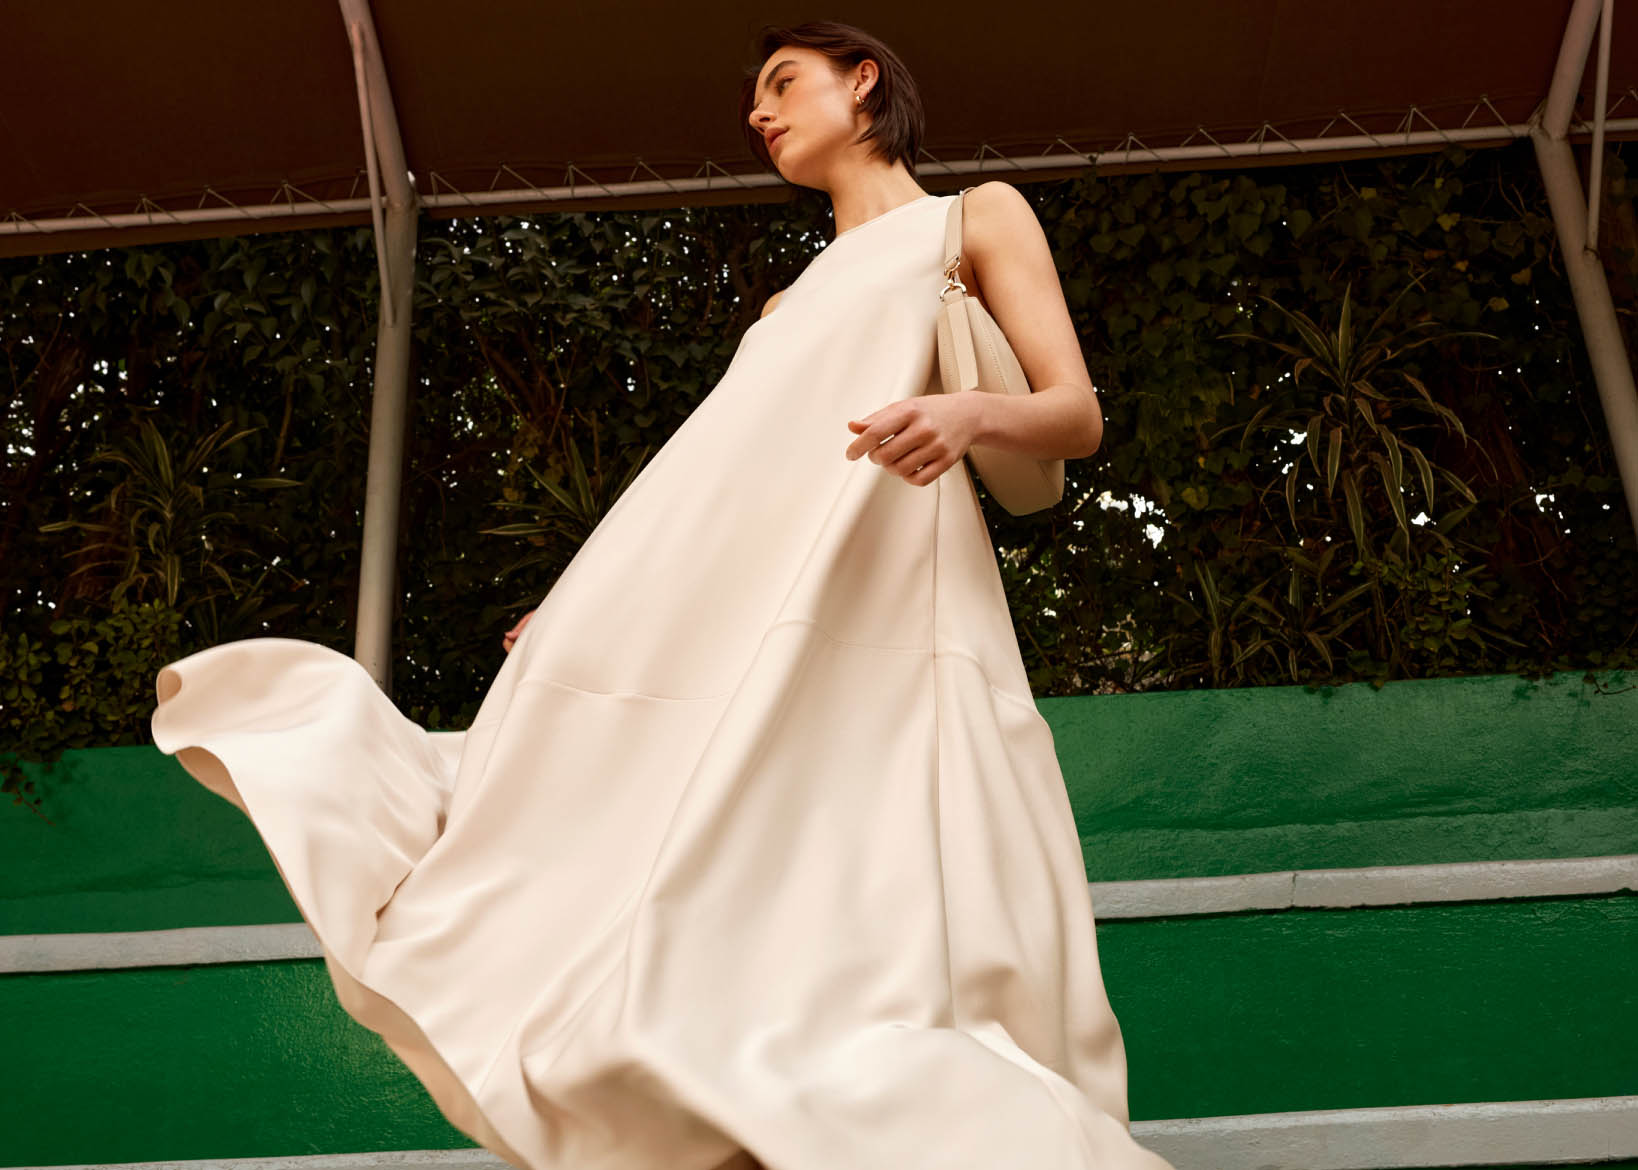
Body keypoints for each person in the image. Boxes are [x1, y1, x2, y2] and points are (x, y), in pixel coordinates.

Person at [150, 18, 1176, 1170]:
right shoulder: (785, 309)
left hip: (897, 604)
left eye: (784, 84)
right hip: (773, 613)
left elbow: (1074, 413)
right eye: (756, 99)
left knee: (887, 858)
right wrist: (591, 606)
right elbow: (708, 490)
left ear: (866, 82)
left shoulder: (971, 218)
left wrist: (963, 412)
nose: (760, 113)